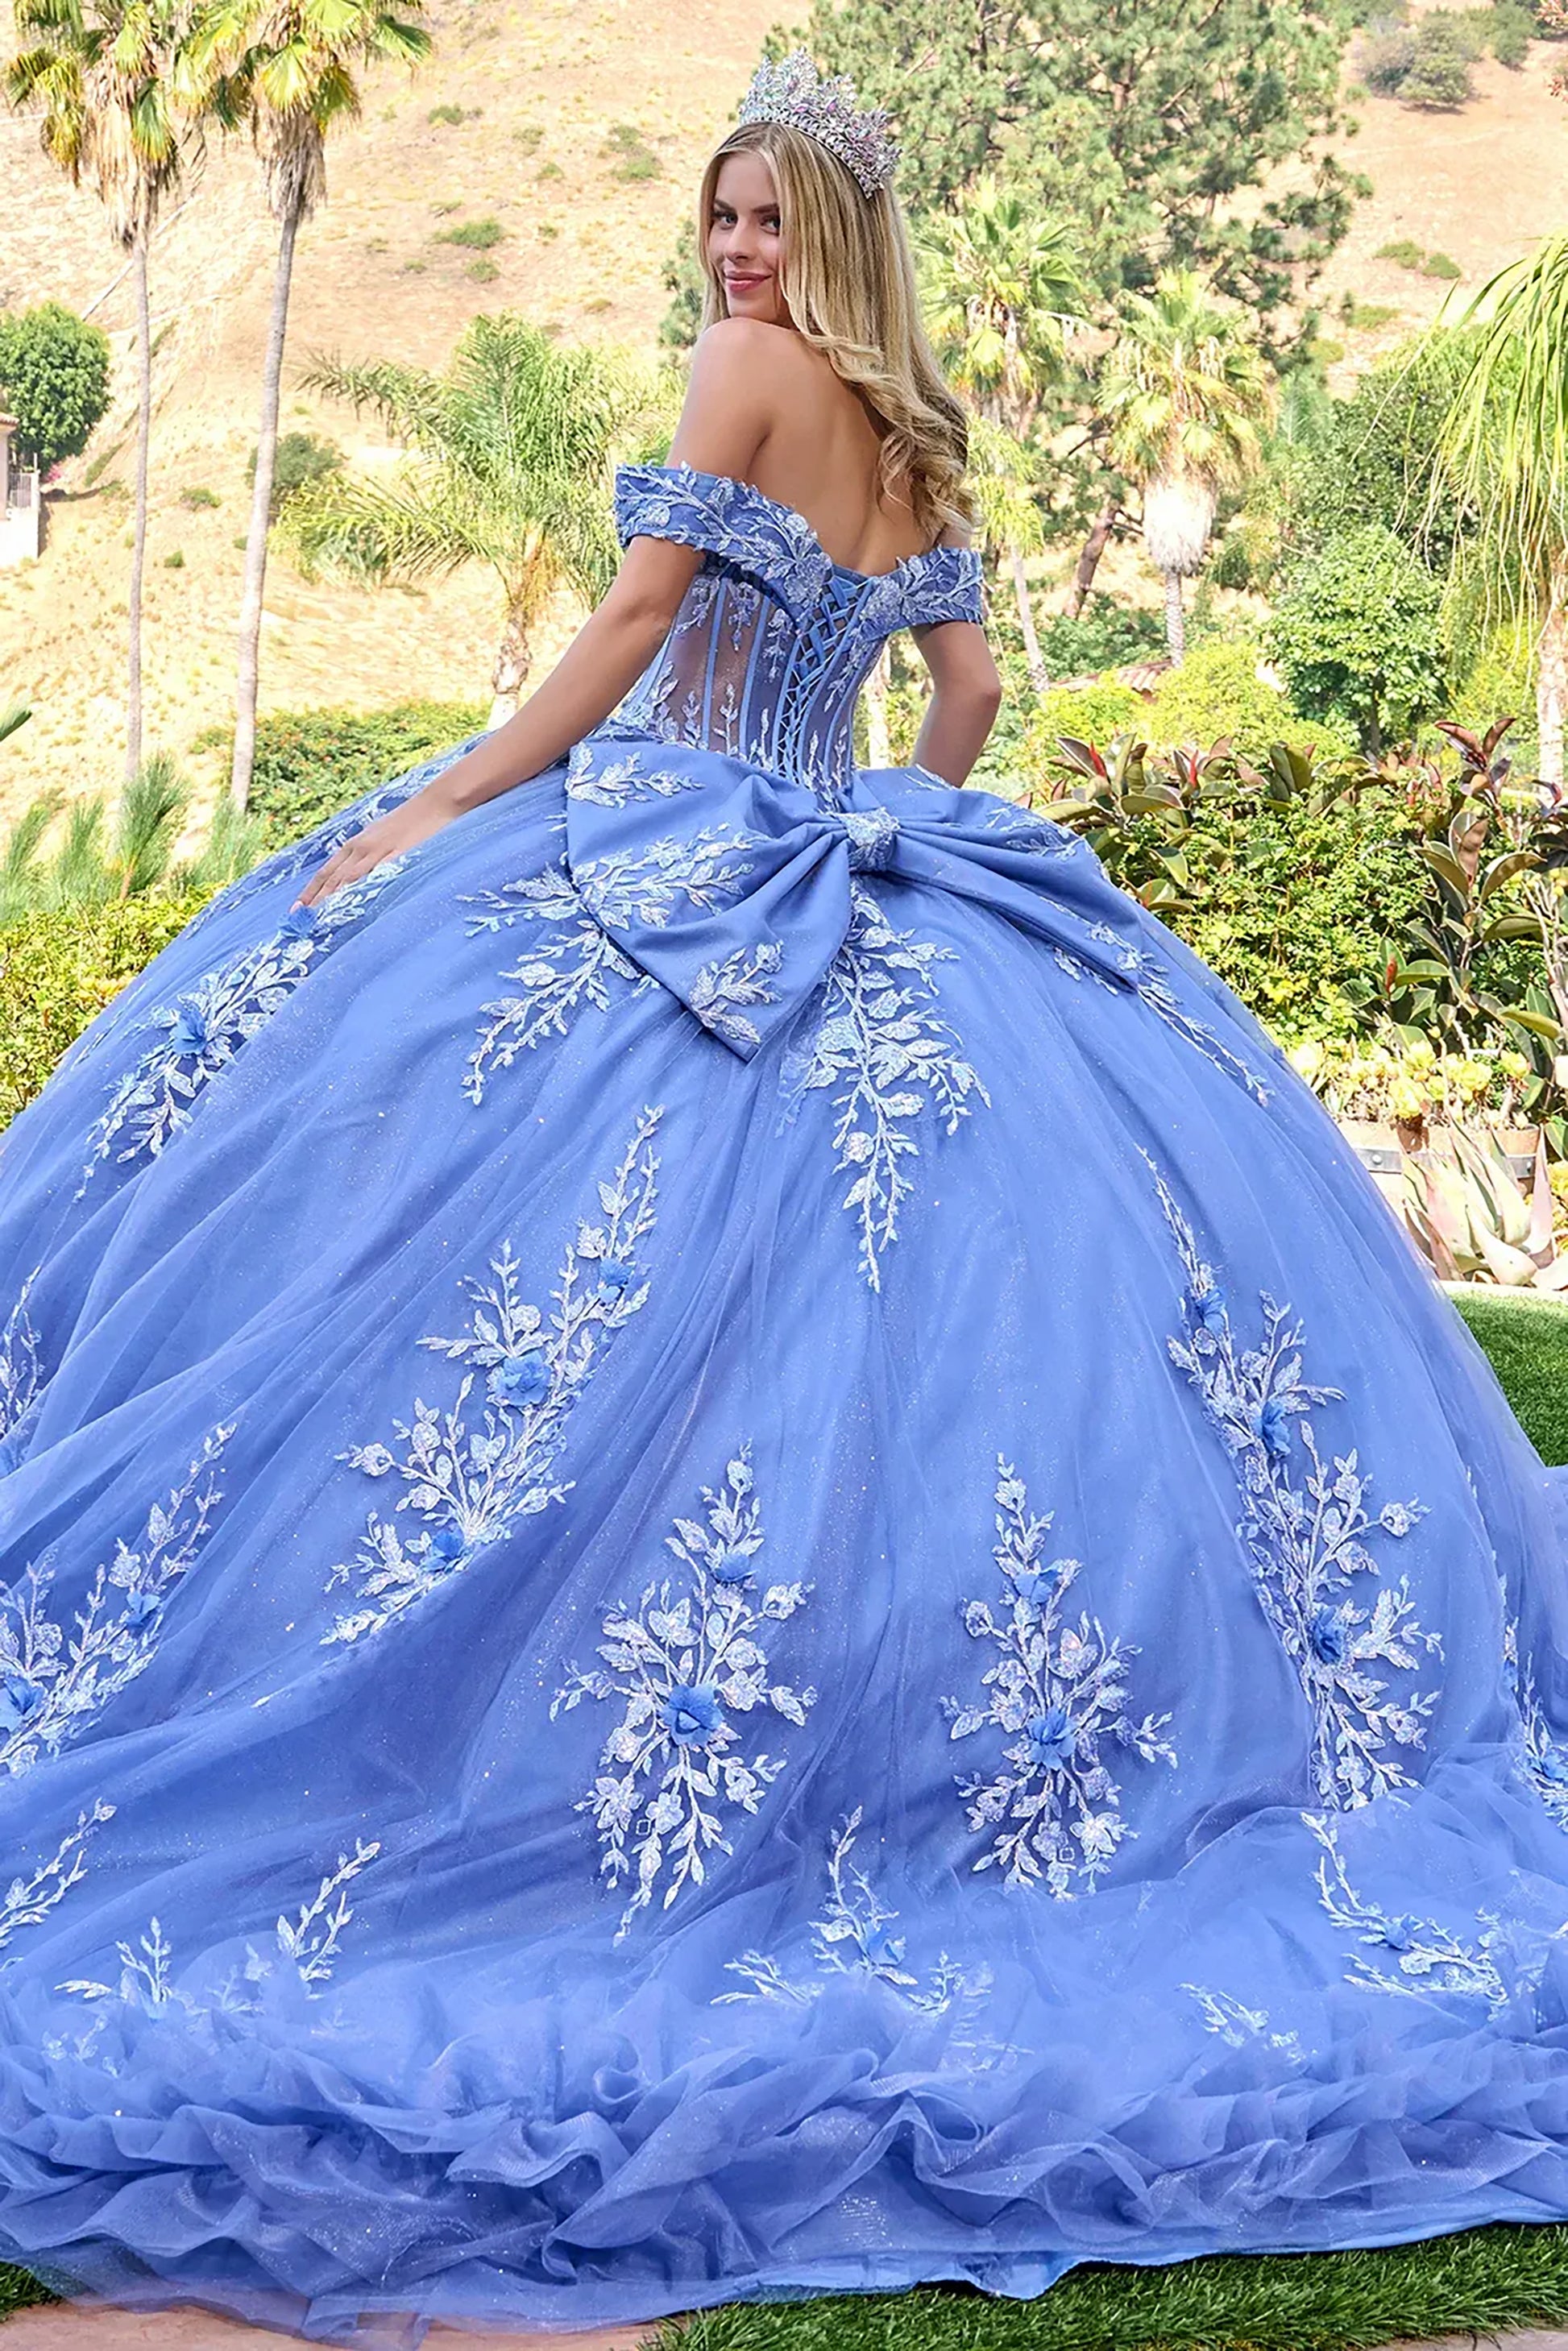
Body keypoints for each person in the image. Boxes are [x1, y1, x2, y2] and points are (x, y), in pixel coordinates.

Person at [1, 47, 1567, 2348]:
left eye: (760, 218)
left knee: (431, 1239)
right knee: (926, 1336)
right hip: (848, 870)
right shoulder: (907, 428)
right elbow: (963, 684)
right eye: (716, 218)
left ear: (819, 239)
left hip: (658, 841)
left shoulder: (740, 372)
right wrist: (896, 830)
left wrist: (443, 815)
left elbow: (636, 632)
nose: (726, 255)